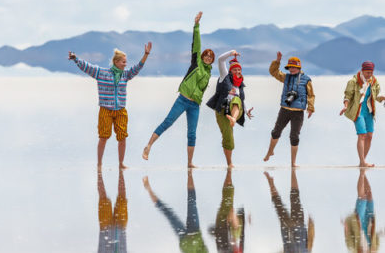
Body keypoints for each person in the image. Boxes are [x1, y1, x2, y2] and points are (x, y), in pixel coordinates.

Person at [142, 11, 214, 168]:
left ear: (212, 60)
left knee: (192, 134)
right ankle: (148, 146)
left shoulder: (208, 73)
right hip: (183, 99)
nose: (207, 58)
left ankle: (189, 163)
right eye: (206, 56)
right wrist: (196, 25)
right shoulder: (196, 63)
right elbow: (197, 43)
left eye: (210, 57)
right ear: (202, 57)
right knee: (168, 122)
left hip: (195, 105)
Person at [69, 42, 151, 169]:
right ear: (116, 62)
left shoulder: (126, 74)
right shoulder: (101, 73)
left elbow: (138, 67)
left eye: (126, 62)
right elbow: (87, 67)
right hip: (105, 110)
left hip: (121, 110)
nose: (126, 64)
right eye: (123, 62)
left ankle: (121, 164)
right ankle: (99, 164)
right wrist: (75, 59)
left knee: (122, 138)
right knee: (103, 137)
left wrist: (146, 54)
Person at [70, 169, 151, 253]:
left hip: (106, 225)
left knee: (103, 197)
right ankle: (120, 173)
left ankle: (99, 174)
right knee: (122, 196)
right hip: (121, 224)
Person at [263, 52, 315, 168]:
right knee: (276, 131)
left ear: (298, 67)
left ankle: (293, 163)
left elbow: (311, 95)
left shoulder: (306, 80)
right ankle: (270, 151)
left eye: (293, 67)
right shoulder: (286, 77)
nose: (291, 69)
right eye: (290, 67)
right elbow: (273, 72)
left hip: (298, 112)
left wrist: (311, 108)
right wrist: (277, 61)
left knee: (294, 136)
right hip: (284, 109)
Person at [205, 50, 254, 168]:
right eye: (235, 69)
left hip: (235, 110)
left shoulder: (240, 85)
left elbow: (242, 100)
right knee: (228, 138)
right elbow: (221, 60)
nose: (237, 71)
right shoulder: (224, 76)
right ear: (230, 71)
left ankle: (233, 117)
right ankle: (229, 163)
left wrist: (246, 111)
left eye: (239, 70)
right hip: (222, 111)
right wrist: (231, 53)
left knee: (236, 100)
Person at [339, 61, 385, 167]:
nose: (369, 75)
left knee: (370, 135)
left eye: (371, 72)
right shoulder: (353, 81)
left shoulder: (374, 81)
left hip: (369, 111)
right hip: (357, 111)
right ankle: (362, 161)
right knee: (362, 135)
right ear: (362, 71)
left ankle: (362, 161)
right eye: (367, 72)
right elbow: (347, 96)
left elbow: (376, 96)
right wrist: (345, 106)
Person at [264, 170, 314, 253]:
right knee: (294, 197)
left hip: (286, 225)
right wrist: (311, 224)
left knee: (278, 202)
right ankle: (293, 173)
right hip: (298, 223)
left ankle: (271, 182)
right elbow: (310, 237)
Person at [342, 168, 385, 253]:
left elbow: (347, 238)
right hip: (370, 219)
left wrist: (346, 224)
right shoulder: (374, 250)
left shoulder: (355, 252)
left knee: (362, 197)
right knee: (369, 194)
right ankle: (363, 173)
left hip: (358, 221)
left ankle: (361, 173)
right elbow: (376, 235)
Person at [208, 168, 245, 253]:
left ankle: (229, 175)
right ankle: (229, 174)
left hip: (223, 222)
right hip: (230, 222)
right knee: (227, 198)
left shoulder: (224, 252)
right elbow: (243, 236)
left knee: (227, 198)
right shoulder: (236, 250)